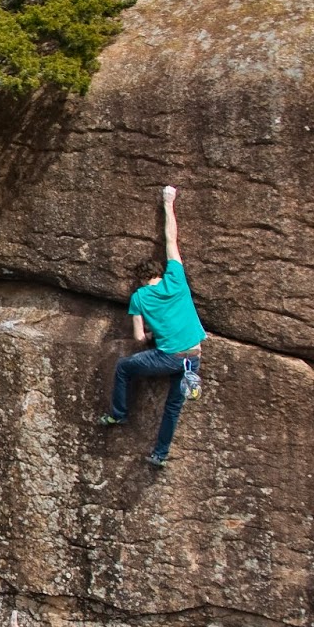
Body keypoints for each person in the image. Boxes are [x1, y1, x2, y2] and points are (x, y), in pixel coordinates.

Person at [97, 185, 207, 467]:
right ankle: (160, 454)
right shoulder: (177, 278)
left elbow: (138, 337)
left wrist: (151, 333)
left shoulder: (139, 298)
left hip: (168, 358)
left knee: (123, 367)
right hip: (193, 357)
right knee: (173, 407)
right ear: (160, 272)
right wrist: (168, 202)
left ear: (142, 280)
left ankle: (119, 414)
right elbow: (171, 239)